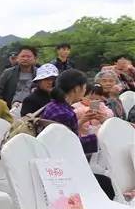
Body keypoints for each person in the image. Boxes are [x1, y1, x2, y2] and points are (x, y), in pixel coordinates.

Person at [40, 69, 113, 198]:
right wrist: (99, 136)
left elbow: (64, 135)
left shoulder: (54, 106)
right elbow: (71, 147)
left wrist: (81, 121)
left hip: (53, 166)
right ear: (76, 88)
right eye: (84, 87)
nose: (85, 90)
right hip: (63, 172)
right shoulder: (65, 113)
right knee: (107, 184)